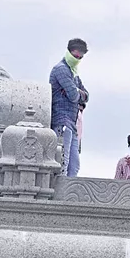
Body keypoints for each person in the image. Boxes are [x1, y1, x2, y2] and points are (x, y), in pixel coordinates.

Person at [49, 38, 90, 177]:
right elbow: (73, 96)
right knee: (63, 163)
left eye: (80, 57)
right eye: (75, 55)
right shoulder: (61, 70)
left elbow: (86, 95)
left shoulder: (74, 73)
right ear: (69, 52)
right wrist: (77, 93)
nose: (77, 59)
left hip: (72, 123)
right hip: (61, 121)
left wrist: (78, 93)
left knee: (74, 166)